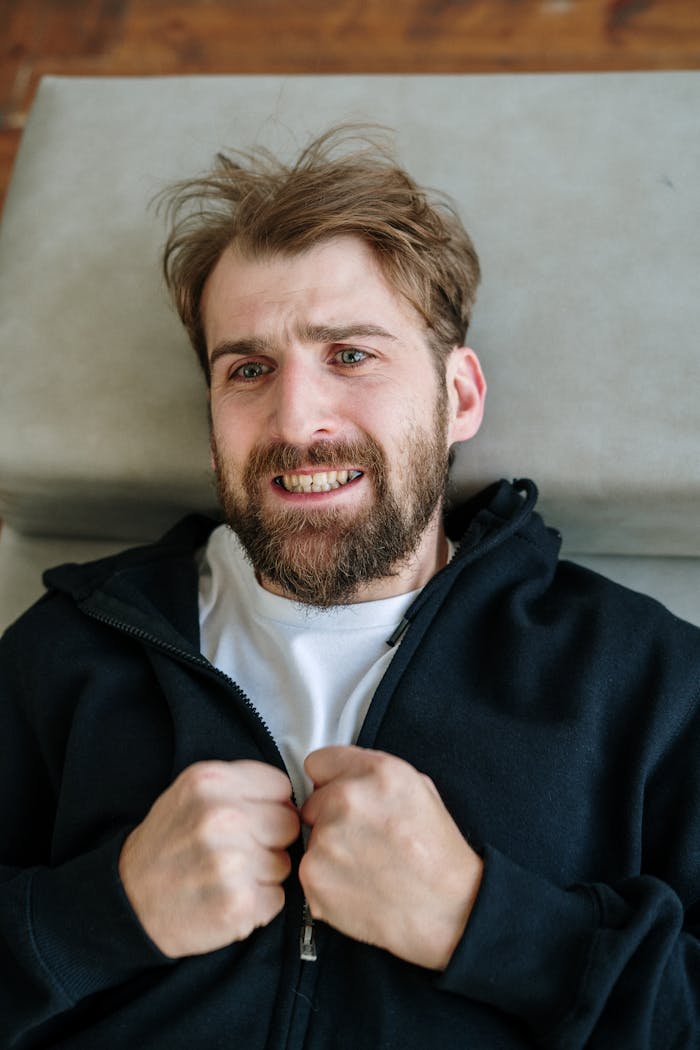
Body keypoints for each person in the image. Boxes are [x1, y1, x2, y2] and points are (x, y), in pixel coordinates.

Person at [1, 125, 699, 1050]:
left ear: (459, 397)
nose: (297, 419)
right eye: (247, 369)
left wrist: (484, 925)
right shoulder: (65, 651)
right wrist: (98, 917)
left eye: (350, 355)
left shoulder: (645, 677)